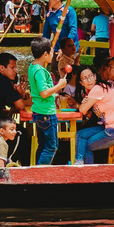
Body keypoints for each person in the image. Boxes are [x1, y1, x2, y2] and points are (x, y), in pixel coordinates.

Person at [74, 66, 114, 164]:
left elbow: (83, 109)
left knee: (85, 145)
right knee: (80, 135)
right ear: (81, 82)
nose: (89, 80)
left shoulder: (98, 88)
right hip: (111, 127)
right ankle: (79, 163)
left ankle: (84, 172)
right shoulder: (91, 91)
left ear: (95, 77)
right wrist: (85, 101)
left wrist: (82, 104)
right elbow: (85, 112)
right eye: (85, 78)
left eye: (90, 76)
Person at [29, 37, 68, 165]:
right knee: (51, 147)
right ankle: (40, 171)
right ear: (45, 54)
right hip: (46, 113)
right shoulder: (40, 71)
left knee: (42, 145)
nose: (53, 54)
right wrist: (59, 86)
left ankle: (36, 171)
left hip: (39, 111)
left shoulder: (33, 67)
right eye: (51, 52)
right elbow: (44, 93)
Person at [43, 0, 80, 73]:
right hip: (56, 50)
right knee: (56, 74)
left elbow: (73, 30)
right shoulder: (49, 15)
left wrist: (64, 48)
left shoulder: (69, 11)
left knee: (72, 76)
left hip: (70, 50)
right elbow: (46, 35)